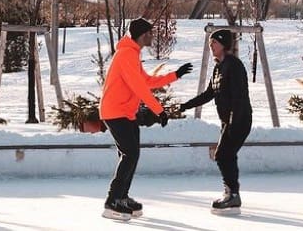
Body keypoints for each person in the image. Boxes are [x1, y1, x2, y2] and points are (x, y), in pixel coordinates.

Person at [99, 17, 193, 221]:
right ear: (142, 35)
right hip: (115, 112)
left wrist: (175, 75)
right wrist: (159, 111)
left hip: (125, 113)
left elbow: (146, 81)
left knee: (132, 154)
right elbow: (139, 87)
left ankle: (122, 197)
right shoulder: (126, 54)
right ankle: (112, 200)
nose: (153, 36)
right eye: (150, 33)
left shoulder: (132, 54)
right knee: (130, 154)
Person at [178, 28, 252, 213]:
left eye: (214, 43)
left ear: (224, 45)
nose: (211, 46)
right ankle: (232, 193)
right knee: (226, 155)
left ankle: (232, 194)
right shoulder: (219, 67)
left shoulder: (234, 66)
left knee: (222, 155)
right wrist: (185, 105)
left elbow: (239, 96)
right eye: (210, 43)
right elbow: (209, 94)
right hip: (228, 120)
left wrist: (234, 121)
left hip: (239, 119)